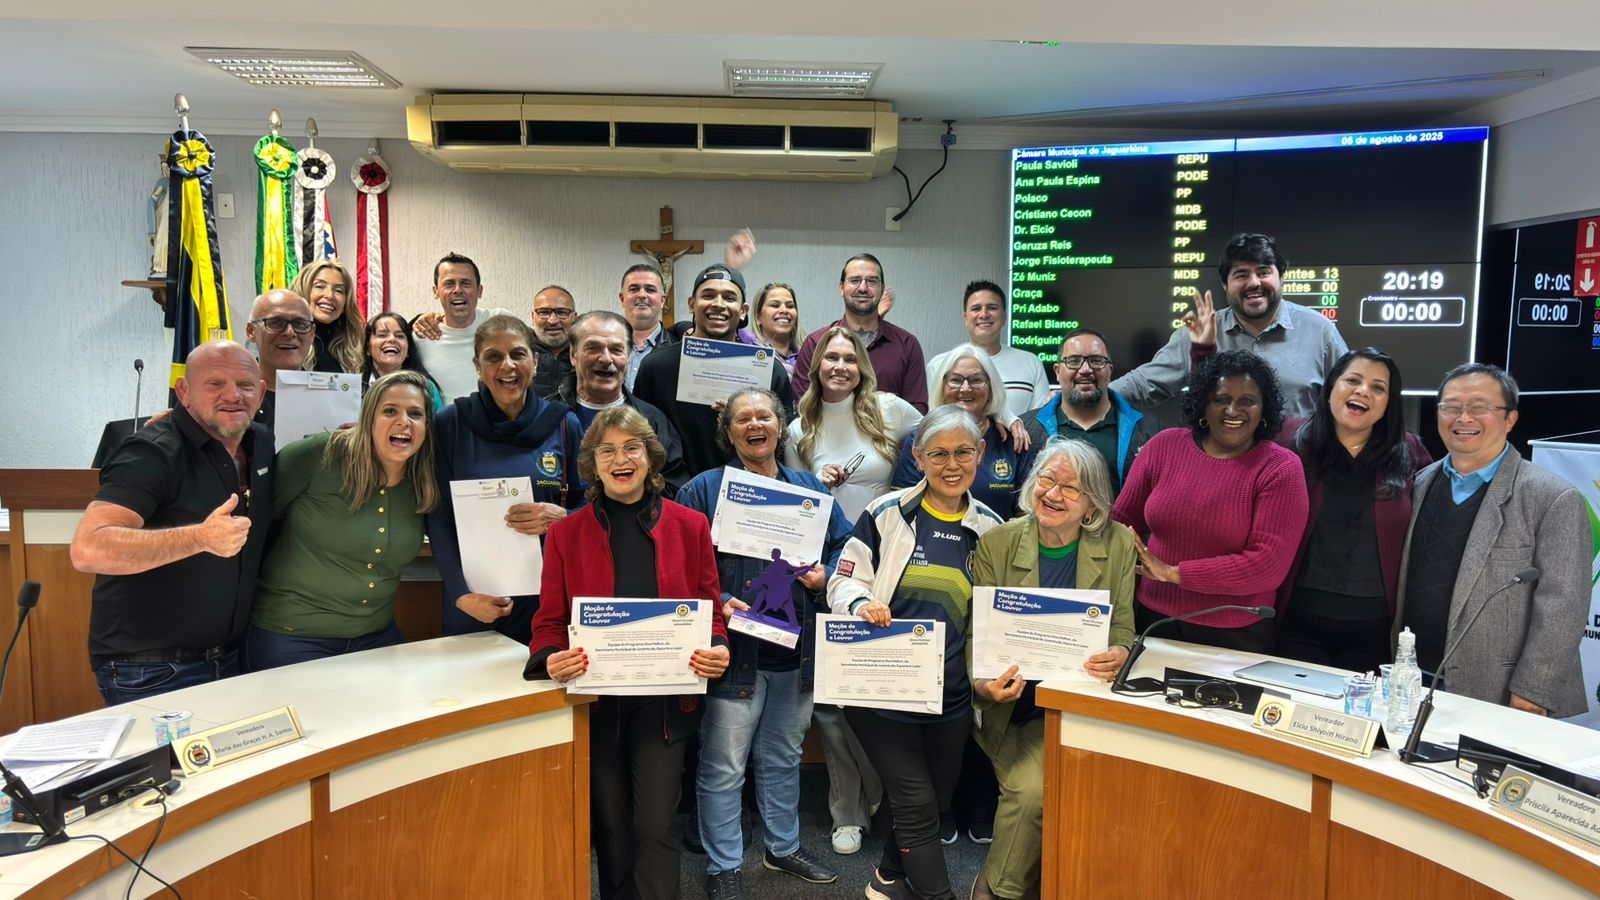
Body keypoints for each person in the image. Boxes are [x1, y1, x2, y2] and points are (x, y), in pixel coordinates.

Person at [526, 405, 730, 900]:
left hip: (665, 705)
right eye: (608, 450)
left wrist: (717, 648)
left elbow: (711, 610)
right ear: (593, 463)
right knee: (612, 827)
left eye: (632, 447)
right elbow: (549, 621)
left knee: (657, 824)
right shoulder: (564, 535)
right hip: (596, 706)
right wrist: (551, 656)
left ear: (651, 457)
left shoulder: (690, 526)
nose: (621, 459)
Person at [676, 389, 853, 898]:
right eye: (743, 419)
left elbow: (844, 546)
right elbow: (681, 564)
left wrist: (828, 574)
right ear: (728, 432)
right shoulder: (705, 490)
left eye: (765, 416)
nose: (756, 425)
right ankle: (724, 865)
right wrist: (721, 600)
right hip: (733, 656)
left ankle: (783, 848)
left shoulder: (807, 491)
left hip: (795, 653)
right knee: (725, 765)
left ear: (780, 426)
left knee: (782, 758)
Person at [828, 405, 1005, 900]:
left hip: (949, 695)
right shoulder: (886, 513)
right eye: (939, 454)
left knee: (935, 798)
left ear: (981, 454)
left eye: (963, 452)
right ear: (919, 456)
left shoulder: (992, 528)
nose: (952, 465)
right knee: (915, 802)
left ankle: (888, 879)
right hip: (879, 687)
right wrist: (861, 603)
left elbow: (997, 615)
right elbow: (843, 581)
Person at [968, 439, 1137, 900]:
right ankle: (996, 889)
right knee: (1031, 791)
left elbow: (1123, 626)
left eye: (1070, 487)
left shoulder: (1119, 543)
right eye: (1047, 479)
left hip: (1084, 702)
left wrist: (1120, 651)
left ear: (1092, 504)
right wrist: (985, 684)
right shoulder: (998, 543)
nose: (1053, 494)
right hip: (1017, 708)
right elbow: (977, 637)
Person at [71, 341, 273, 704]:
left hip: (231, 660)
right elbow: (90, 548)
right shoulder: (151, 451)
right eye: (215, 384)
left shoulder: (260, 441)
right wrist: (200, 538)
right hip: (150, 670)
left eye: (245, 385)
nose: (233, 394)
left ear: (260, 392)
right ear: (184, 391)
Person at [1395, 363, 1590, 716]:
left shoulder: (1552, 497)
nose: (1463, 418)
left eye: (1479, 407)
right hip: (1414, 677)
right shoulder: (1420, 483)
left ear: (1510, 419)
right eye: (1451, 407)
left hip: (1501, 692)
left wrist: (1533, 691)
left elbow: (1564, 607)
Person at [1111, 350, 1308, 653]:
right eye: (1221, 399)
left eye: (1248, 401)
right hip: (1151, 620)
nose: (1233, 410)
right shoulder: (1163, 447)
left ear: (1264, 408)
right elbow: (1121, 523)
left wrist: (1173, 573)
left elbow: (1267, 566)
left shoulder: (1280, 468)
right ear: (1203, 402)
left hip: (1236, 634)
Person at [245, 371, 439, 669]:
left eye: (416, 414)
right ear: (368, 418)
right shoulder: (318, 455)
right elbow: (255, 520)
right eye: (390, 411)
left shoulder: (423, 481)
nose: (404, 422)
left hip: (376, 637)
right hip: (291, 636)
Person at [427, 315, 582, 645]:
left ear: (535, 362)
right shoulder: (450, 424)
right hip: (473, 600)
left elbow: (589, 506)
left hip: (548, 598)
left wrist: (564, 517)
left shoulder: (564, 424)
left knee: (544, 693)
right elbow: (439, 518)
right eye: (493, 357)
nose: (507, 366)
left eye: (518, 354)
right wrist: (461, 594)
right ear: (477, 366)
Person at [1275, 348, 1432, 673]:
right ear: (1331, 386)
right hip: (1296, 623)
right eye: (1353, 380)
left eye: (1379, 387)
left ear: (1389, 402)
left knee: (1361, 722)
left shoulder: (1409, 451)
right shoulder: (1290, 441)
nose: (1364, 391)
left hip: (1376, 631)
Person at [1110, 233, 1348, 420]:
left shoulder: (1319, 330)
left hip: (1300, 472)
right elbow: (1143, 385)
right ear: (1225, 284)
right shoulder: (1200, 333)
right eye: (1241, 274)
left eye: (1263, 272)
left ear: (1281, 277)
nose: (1254, 282)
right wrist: (1079, 402)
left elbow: (1350, 396)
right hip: (1222, 471)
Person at [634, 263, 796, 476]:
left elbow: (781, 447)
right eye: (708, 295)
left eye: (729, 298)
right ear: (692, 304)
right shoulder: (655, 367)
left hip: (746, 494)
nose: (718, 304)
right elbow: (640, 438)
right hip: (672, 496)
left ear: (743, 311)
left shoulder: (769, 371)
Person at [788, 326, 923, 524]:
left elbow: (936, 434)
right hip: (827, 544)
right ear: (817, 366)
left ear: (861, 368)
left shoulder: (888, 408)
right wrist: (817, 482)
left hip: (881, 542)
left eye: (850, 359)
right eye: (832, 357)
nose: (841, 366)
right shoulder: (799, 429)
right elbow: (795, 506)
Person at [557, 310, 690, 495]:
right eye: (593, 348)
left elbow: (674, 488)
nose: (605, 358)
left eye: (616, 349)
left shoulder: (652, 421)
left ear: (628, 357)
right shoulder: (551, 416)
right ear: (573, 354)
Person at [895, 343, 1029, 519]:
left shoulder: (1012, 441)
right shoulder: (919, 439)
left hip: (997, 543)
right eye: (956, 380)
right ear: (942, 387)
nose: (965, 388)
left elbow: (1025, 516)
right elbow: (903, 510)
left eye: (976, 380)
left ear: (991, 387)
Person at [1022, 328, 1160, 497]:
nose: (1085, 369)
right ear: (1057, 371)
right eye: (1073, 361)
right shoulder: (1027, 430)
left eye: (1096, 360)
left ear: (1110, 370)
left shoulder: (1148, 428)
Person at [792, 254, 929, 413]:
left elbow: (917, 413)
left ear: (882, 289)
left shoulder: (907, 345)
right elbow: (802, 406)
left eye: (871, 281)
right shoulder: (815, 343)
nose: (863, 288)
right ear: (841, 287)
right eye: (855, 280)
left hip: (888, 437)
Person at [924, 281, 1049, 418]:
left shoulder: (1031, 362)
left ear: (1005, 317)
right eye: (976, 308)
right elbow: (932, 416)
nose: (984, 314)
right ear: (966, 318)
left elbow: (1040, 418)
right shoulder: (939, 364)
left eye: (992, 307)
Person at [413, 252, 515, 402]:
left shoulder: (501, 321)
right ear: (436, 291)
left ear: (479, 291)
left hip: (500, 423)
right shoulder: (422, 336)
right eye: (449, 284)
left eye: (466, 283)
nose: (458, 290)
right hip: (445, 424)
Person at [246, 288, 315, 429]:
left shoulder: (332, 398)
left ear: (312, 333)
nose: (290, 333)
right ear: (251, 331)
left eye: (300, 324)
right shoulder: (232, 398)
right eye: (276, 323)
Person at [362, 311, 446, 410]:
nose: (392, 339)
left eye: (400, 336)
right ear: (368, 348)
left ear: (408, 350)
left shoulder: (426, 387)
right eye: (382, 335)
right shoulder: (354, 384)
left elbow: (439, 425)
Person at [291, 259, 363, 374]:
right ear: (302, 291)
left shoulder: (350, 351)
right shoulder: (280, 340)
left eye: (338, 290)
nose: (330, 295)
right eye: (320, 286)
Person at [620, 264, 676, 392]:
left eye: (650, 289)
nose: (642, 295)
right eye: (634, 289)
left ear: (662, 301)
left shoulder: (677, 348)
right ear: (622, 299)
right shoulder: (604, 347)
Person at [738, 282, 804, 378]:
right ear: (758, 317)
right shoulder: (745, 347)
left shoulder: (808, 354)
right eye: (775, 305)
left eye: (790, 306)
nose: (784, 310)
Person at [530, 284, 578, 400]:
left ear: (575, 318)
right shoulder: (518, 353)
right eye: (544, 312)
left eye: (562, 312)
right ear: (533, 317)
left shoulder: (585, 354)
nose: (552, 321)